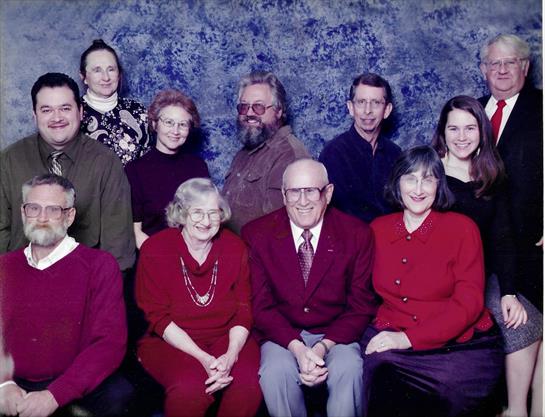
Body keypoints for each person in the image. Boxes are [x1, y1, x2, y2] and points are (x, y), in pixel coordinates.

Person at [361, 146, 503, 417]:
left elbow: (470, 303)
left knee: (443, 395)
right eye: (410, 178)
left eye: (428, 179)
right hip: (392, 333)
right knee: (379, 374)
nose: (418, 188)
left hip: (458, 346)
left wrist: (408, 338)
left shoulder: (462, 229)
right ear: (397, 182)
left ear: (439, 185)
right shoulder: (377, 229)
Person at [431, 96, 542, 417]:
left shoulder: (491, 174)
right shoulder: (431, 173)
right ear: (443, 131)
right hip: (441, 281)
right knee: (508, 332)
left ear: (483, 131)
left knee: (530, 324)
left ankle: (518, 410)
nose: (462, 136)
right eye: (454, 128)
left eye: (470, 128)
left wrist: (507, 292)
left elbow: (503, 239)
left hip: (484, 275)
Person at [242, 158, 376, 417]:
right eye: (294, 191)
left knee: (350, 369)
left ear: (328, 193)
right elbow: (260, 306)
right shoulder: (256, 234)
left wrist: (322, 347)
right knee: (274, 373)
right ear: (283, 195)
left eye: (311, 190)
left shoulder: (357, 234)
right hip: (282, 334)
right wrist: (297, 347)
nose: (302, 201)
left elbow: (360, 306)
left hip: (335, 335)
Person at [0, 174, 131, 417]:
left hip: (73, 381)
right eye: (33, 208)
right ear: (22, 212)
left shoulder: (99, 265)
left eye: (53, 210)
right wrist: (4, 383)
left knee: (119, 393)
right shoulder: (4, 266)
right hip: (13, 382)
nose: (41, 218)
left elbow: (109, 343)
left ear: (69, 216)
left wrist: (55, 395)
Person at [135, 178, 261, 417]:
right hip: (170, 341)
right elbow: (157, 317)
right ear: (181, 213)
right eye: (198, 213)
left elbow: (244, 309)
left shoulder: (236, 247)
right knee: (189, 389)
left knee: (247, 385)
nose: (206, 222)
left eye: (213, 213)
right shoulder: (156, 249)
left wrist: (231, 355)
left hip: (228, 337)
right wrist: (204, 358)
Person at [0, 72, 135, 272]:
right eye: (46, 110)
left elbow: (118, 245)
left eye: (65, 108)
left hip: (85, 285)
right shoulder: (9, 160)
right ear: (34, 115)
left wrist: (102, 295)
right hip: (21, 281)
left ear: (80, 112)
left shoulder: (105, 162)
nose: (57, 118)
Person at [478, 34, 543, 314]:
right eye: (495, 63)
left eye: (510, 62)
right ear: (484, 70)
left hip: (529, 245)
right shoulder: (470, 109)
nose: (502, 70)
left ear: (525, 67)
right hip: (477, 244)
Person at [223, 71, 310, 234]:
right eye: (244, 106)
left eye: (259, 107)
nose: (249, 113)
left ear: (278, 111)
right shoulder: (243, 153)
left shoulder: (291, 156)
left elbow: (279, 232)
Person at [125, 89, 209, 249]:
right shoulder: (135, 170)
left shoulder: (198, 167)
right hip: (153, 255)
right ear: (155, 124)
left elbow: (205, 221)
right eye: (169, 122)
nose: (175, 131)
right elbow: (136, 232)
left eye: (182, 124)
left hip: (194, 253)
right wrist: (164, 260)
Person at [320, 73, 401, 223]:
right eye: (361, 102)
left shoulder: (396, 154)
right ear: (351, 108)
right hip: (349, 240)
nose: (367, 110)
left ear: (387, 110)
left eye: (376, 102)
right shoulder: (333, 153)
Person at [80, 39, 150, 165]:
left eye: (111, 69)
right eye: (97, 70)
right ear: (84, 77)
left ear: (119, 74)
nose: (106, 77)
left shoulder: (137, 111)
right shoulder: (73, 112)